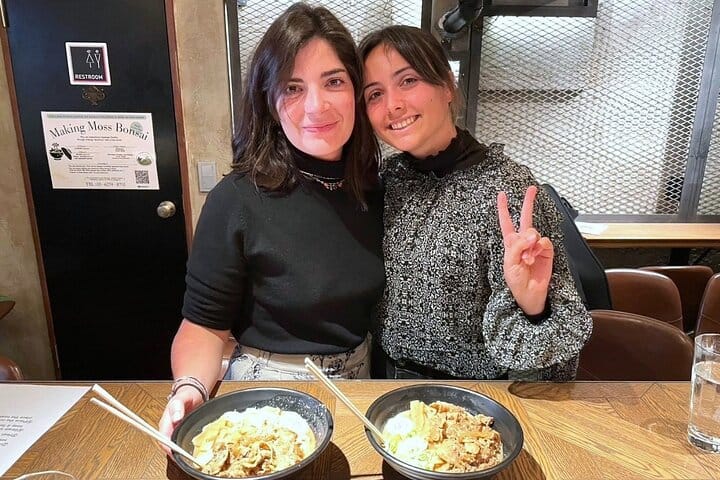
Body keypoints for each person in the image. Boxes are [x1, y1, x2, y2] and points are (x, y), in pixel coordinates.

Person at [159, 3, 384, 439]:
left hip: (361, 389)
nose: (316, 105)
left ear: (356, 90)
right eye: (293, 87)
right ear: (269, 100)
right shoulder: (237, 199)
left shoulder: (374, 190)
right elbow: (203, 326)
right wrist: (190, 388)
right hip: (266, 396)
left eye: (334, 81)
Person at [359, 25, 592, 381]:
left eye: (408, 81)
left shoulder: (507, 188)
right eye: (375, 94)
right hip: (384, 384)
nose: (393, 105)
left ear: (447, 85)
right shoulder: (386, 182)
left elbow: (555, 354)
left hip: (477, 395)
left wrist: (534, 308)